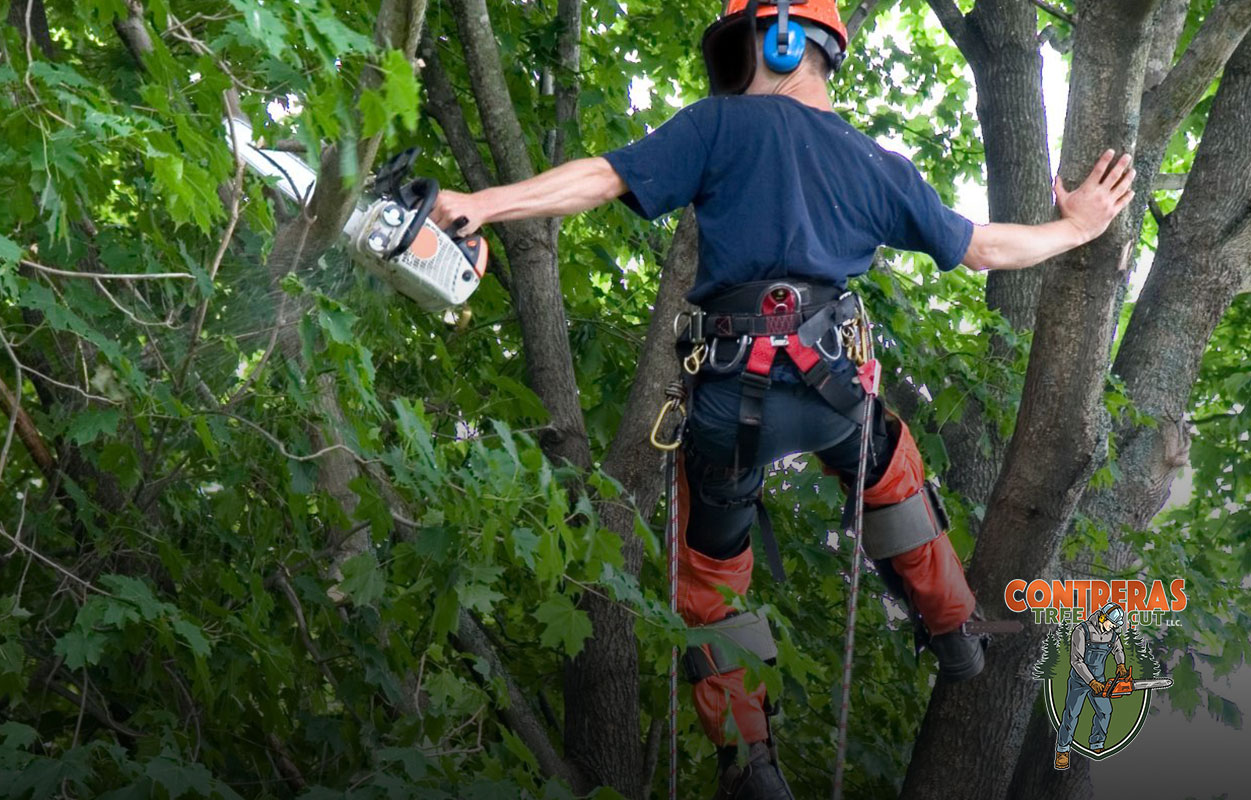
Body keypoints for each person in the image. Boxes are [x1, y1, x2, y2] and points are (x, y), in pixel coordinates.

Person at [430, 2, 1135, 796]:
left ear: (782, 38)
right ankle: (953, 628)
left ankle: (750, 760)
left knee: (709, 571)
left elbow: (601, 177)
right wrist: (1076, 229)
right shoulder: (878, 165)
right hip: (833, 389)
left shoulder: (721, 126)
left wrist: (483, 203)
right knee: (889, 466)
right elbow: (984, 249)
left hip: (729, 400)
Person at [1054, 602, 1127, 770]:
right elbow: (1076, 661)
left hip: (1100, 681)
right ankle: (1063, 750)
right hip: (1080, 680)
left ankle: (1097, 742)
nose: (1113, 627)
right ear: (1103, 617)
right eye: (1112, 623)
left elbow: (1118, 650)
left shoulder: (1112, 635)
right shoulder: (1082, 631)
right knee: (1072, 714)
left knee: (1105, 711)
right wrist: (1090, 681)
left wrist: (1120, 664)